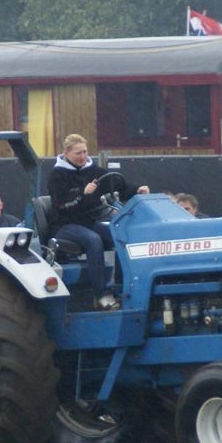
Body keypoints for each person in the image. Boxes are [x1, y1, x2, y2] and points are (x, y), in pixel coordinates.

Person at [48, 133, 149, 311]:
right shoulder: (57, 176)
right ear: (67, 153)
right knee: (93, 240)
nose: (83, 156)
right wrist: (82, 193)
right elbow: (62, 205)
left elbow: (118, 185)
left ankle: (121, 287)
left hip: (88, 222)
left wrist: (136, 190)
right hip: (64, 225)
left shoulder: (94, 171)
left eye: (85, 152)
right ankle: (101, 294)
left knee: (121, 236)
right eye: (78, 153)